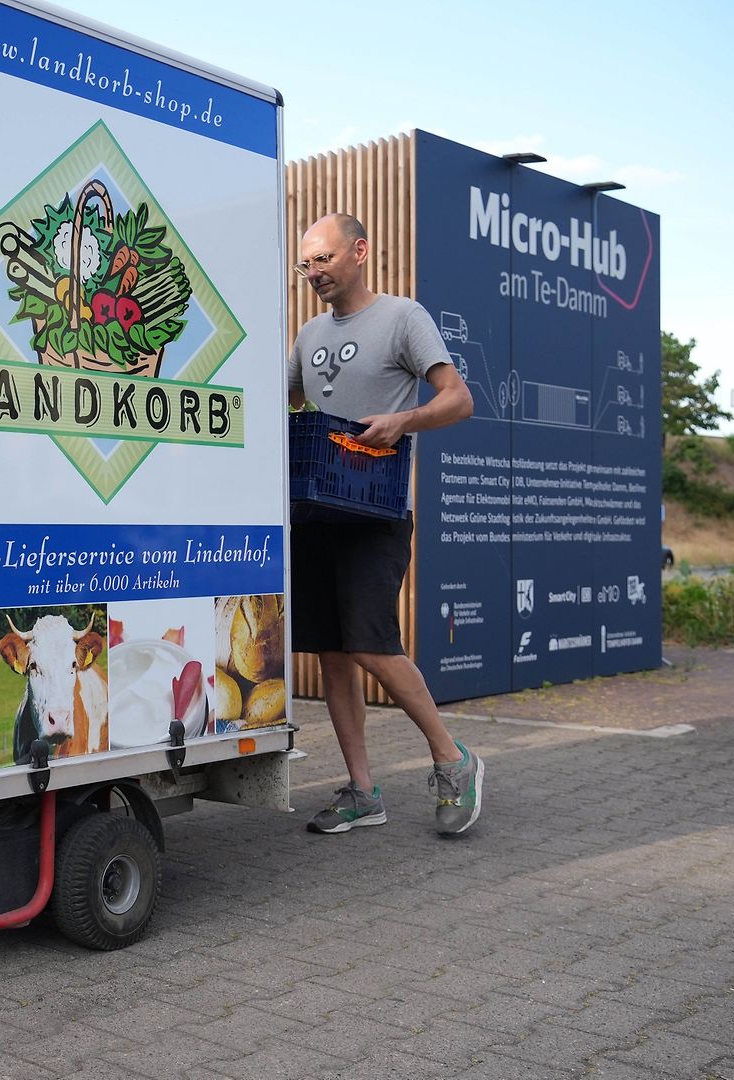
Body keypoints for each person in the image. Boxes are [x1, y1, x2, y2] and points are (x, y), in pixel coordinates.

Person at [286, 212, 483, 836]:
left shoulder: (403, 317)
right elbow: (286, 400)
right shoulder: (309, 334)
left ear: (359, 251)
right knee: (334, 655)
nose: (314, 272)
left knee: (372, 644)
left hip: (378, 513)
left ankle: (454, 760)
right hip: (317, 513)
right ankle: (362, 793)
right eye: (306, 263)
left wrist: (402, 422)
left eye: (323, 258)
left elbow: (459, 399)